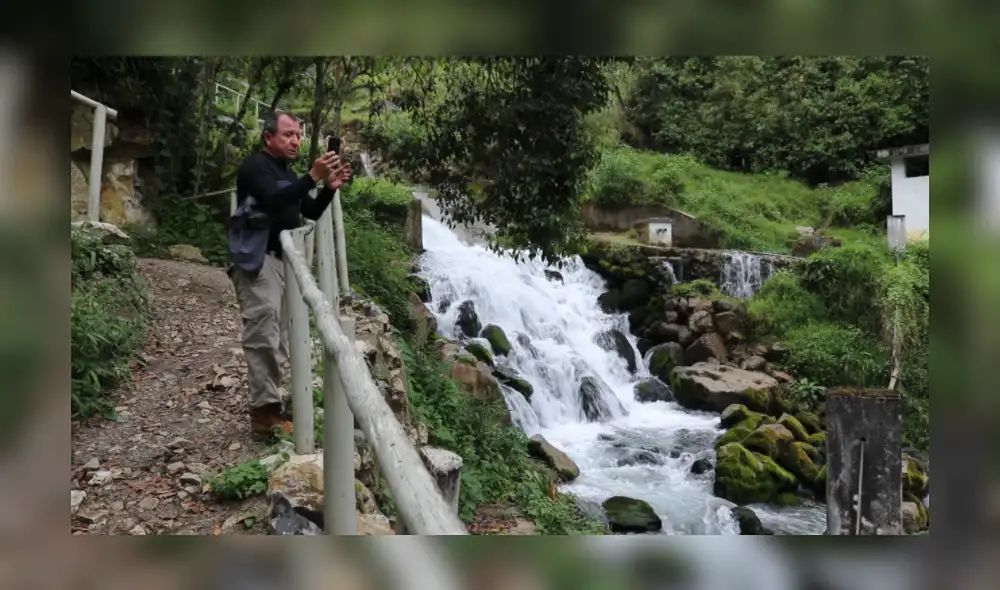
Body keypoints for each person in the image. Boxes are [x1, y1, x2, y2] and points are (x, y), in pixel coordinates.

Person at [229, 112, 352, 440]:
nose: (295, 140)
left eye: (298, 135)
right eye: (288, 135)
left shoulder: (288, 171)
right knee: (262, 333)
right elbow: (273, 199)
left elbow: (307, 210)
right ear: (268, 137)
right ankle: (264, 415)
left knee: (281, 336)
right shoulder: (255, 167)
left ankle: (272, 406)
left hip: (285, 262)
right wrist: (313, 176)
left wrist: (329, 188)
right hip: (258, 260)